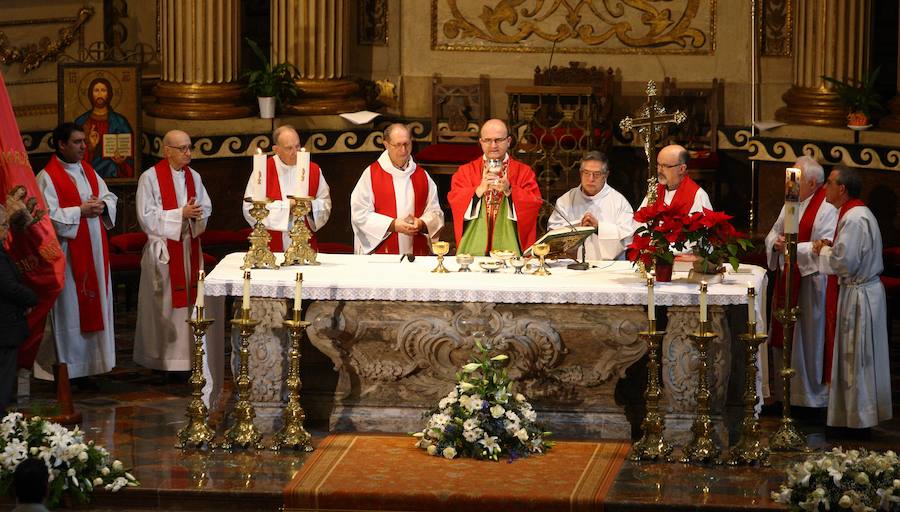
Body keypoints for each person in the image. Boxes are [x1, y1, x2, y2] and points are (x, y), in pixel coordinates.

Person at [35, 122, 118, 379]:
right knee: (70, 311)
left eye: (84, 141)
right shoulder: (47, 177)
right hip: (67, 255)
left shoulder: (89, 171)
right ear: (61, 144)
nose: (84, 146)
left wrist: (102, 206)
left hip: (94, 251)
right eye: (77, 142)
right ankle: (68, 370)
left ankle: (92, 366)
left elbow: (110, 197)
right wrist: (80, 211)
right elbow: (45, 217)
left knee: (95, 305)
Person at [811, 166, 891, 430]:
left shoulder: (855, 218)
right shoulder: (855, 214)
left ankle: (859, 420)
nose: (825, 188)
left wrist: (821, 252)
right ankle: (852, 417)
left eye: (830, 183)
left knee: (857, 357)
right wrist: (830, 248)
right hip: (859, 292)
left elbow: (845, 263)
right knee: (856, 356)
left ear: (842, 188)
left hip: (859, 295)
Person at [134, 130, 212, 372]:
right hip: (164, 251)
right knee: (164, 306)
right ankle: (162, 360)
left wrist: (196, 214)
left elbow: (206, 206)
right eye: (182, 148)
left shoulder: (194, 177)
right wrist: (181, 214)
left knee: (189, 305)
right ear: (167, 150)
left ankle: (188, 361)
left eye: (190, 147)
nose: (188, 153)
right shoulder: (149, 178)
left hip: (189, 247)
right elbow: (145, 216)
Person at [764, 156, 836, 410]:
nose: (790, 181)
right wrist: (776, 243)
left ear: (813, 183)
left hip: (811, 284)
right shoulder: (792, 198)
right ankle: (785, 397)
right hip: (787, 278)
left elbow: (826, 246)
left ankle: (810, 400)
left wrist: (792, 248)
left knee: (807, 342)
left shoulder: (828, 206)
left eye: (796, 177)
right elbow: (774, 230)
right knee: (783, 334)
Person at [448, 119, 542, 255]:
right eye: (487, 140)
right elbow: (455, 199)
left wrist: (510, 190)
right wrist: (478, 191)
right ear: (480, 142)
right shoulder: (466, 171)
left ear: (509, 141)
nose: (493, 145)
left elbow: (534, 202)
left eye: (498, 140)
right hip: (474, 243)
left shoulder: (524, 172)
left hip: (511, 245)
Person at [350, 123, 444, 255]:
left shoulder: (421, 175)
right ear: (386, 144)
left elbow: (436, 213)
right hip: (383, 257)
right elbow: (359, 214)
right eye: (398, 145)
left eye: (407, 144)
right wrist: (393, 225)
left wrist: (421, 223)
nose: (404, 150)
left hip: (417, 253)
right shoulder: (371, 174)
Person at [242, 125, 331, 251]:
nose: (295, 152)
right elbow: (250, 208)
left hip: (306, 248)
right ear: (276, 149)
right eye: (289, 148)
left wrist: (311, 207)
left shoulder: (313, 170)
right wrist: (287, 206)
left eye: (297, 146)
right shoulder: (263, 170)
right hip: (272, 249)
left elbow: (326, 203)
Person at [547, 151, 634, 260]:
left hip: (608, 270)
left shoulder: (619, 202)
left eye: (596, 174)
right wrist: (578, 228)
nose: (591, 179)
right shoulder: (565, 201)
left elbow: (628, 237)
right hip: (570, 268)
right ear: (580, 173)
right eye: (586, 173)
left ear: (605, 175)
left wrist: (599, 228)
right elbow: (553, 235)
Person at [0, 205, 38, 416]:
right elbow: (8, 286)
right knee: (3, 377)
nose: (7, 230)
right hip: (4, 327)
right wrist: (31, 298)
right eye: (4, 225)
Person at [74, 77, 134, 179]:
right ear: (90, 94)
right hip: (88, 173)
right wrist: (91, 147)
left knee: (111, 166)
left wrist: (122, 161)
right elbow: (73, 155)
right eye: (96, 90)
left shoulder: (120, 121)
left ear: (109, 93)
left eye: (103, 90)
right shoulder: (82, 122)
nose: (100, 94)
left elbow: (131, 153)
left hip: (114, 171)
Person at [638, 144, 712, 214]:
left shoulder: (698, 195)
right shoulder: (655, 191)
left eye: (665, 166)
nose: (659, 170)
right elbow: (639, 220)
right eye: (658, 165)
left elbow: (703, 226)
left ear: (681, 169)